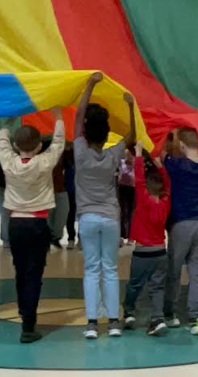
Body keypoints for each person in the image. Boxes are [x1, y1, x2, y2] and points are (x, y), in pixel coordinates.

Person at [74, 72, 135, 339]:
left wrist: (90, 85)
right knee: (110, 269)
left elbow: (77, 117)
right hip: (110, 218)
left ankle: (91, 324)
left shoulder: (80, 152)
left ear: (86, 131)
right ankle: (112, 322)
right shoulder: (113, 154)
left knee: (91, 268)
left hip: (87, 218)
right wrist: (131, 106)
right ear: (107, 132)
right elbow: (131, 136)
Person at [0, 108, 65, 343]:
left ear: (16, 146)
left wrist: (7, 122)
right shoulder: (44, 162)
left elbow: (1, 143)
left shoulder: (9, 162)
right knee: (33, 274)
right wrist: (58, 118)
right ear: (38, 146)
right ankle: (28, 324)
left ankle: (23, 310)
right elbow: (58, 143)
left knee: (20, 270)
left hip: (15, 224)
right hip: (38, 224)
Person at [162, 127, 198, 336]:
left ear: (181, 145)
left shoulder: (175, 165)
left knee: (174, 271)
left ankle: (170, 314)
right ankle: (195, 318)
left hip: (181, 224)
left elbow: (162, 154)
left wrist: (173, 134)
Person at [123, 142, 170, 336]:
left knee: (135, 283)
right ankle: (158, 318)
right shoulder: (166, 202)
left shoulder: (142, 200)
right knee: (157, 287)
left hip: (142, 252)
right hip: (160, 252)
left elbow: (139, 178)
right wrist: (160, 164)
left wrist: (139, 154)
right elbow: (168, 183)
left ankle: (128, 312)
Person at [47, 147, 69, 249]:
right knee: (49, 214)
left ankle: (55, 236)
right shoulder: (43, 151)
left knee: (63, 211)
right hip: (47, 188)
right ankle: (50, 237)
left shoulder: (63, 152)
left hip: (60, 187)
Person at [117, 150, 136, 243]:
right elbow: (119, 173)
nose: (128, 155)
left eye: (130, 153)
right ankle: (121, 235)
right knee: (123, 211)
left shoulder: (137, 161)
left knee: (131, 212)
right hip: (123, 188)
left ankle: (131, 236)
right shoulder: (121, 161)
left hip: (133, 188)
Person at [64, 146, 77, 250]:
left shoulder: (84, 155)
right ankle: (71, 238)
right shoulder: (66, 155)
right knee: (71, 213)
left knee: (81, 214)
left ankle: (79, 238)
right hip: (70, 189)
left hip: (81, 189)